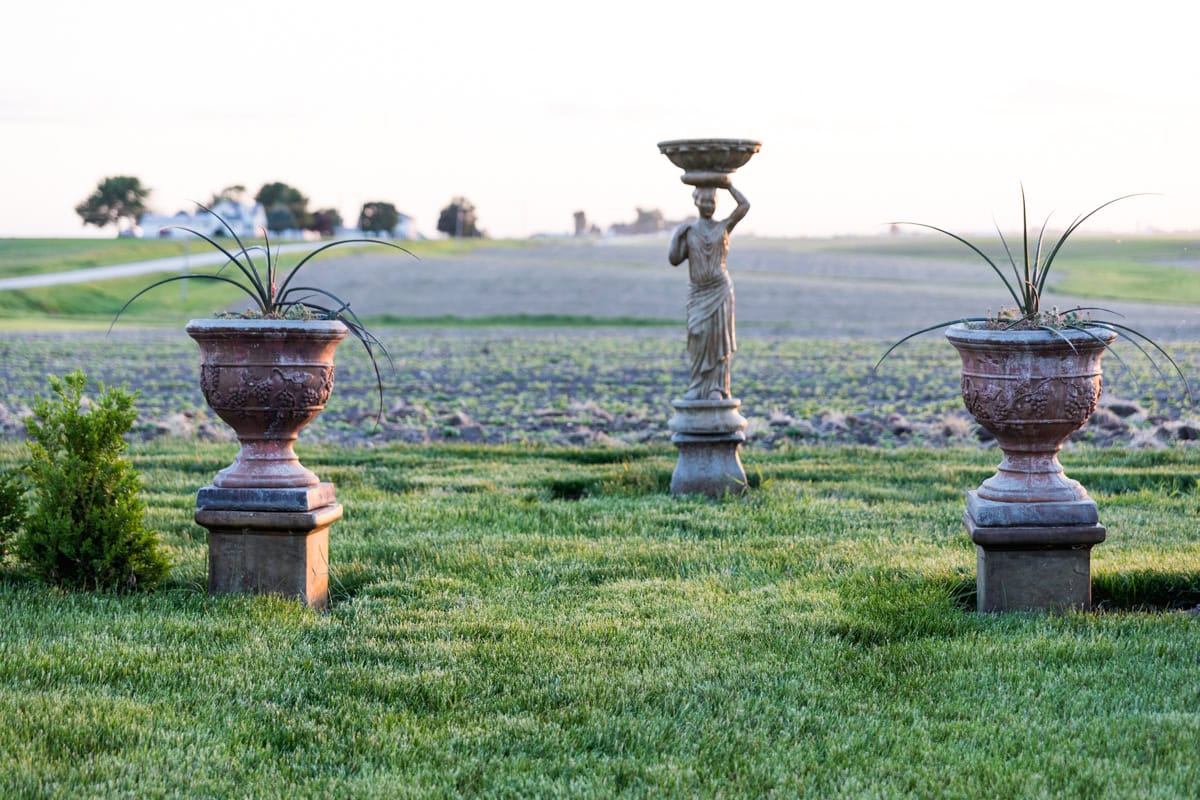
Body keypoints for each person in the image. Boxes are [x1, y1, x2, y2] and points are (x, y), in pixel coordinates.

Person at [667, 179, 750, 400]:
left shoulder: (724, 226)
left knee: (718, 338)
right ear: (696, 202)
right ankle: (697, 385)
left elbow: (744, 206)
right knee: (697, 335)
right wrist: (678, 234)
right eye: (704, 201)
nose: (708, 205)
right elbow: (674, 259)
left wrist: (729, 185)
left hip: (720, 290)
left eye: (712, 201)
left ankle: (717, 388)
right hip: (698, 292)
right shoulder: (690, 231)